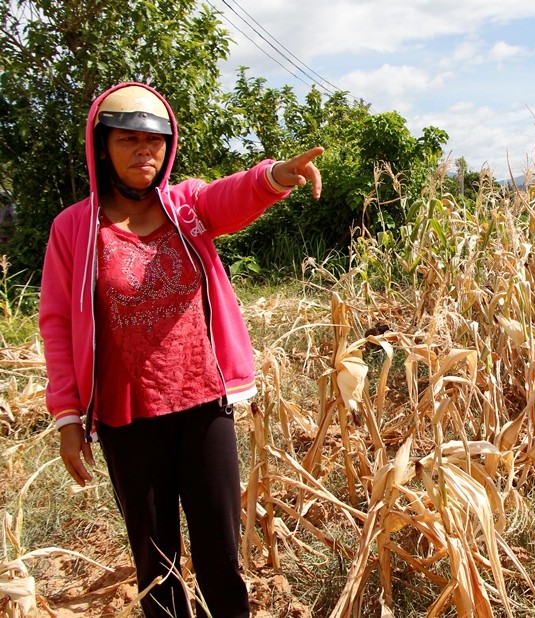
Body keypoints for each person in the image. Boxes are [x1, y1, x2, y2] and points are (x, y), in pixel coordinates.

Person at [39, 82, 324, 617]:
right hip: (128, 415)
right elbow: (56, 323)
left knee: (221, 552)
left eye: (155, 141)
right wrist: (68, 417)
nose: (144, 152)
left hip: (203, 404)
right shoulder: (73, 229)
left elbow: (231, 195)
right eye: (128, 140)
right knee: (156, 564)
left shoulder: (186, 206)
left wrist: (276, 175)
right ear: (102, 146)